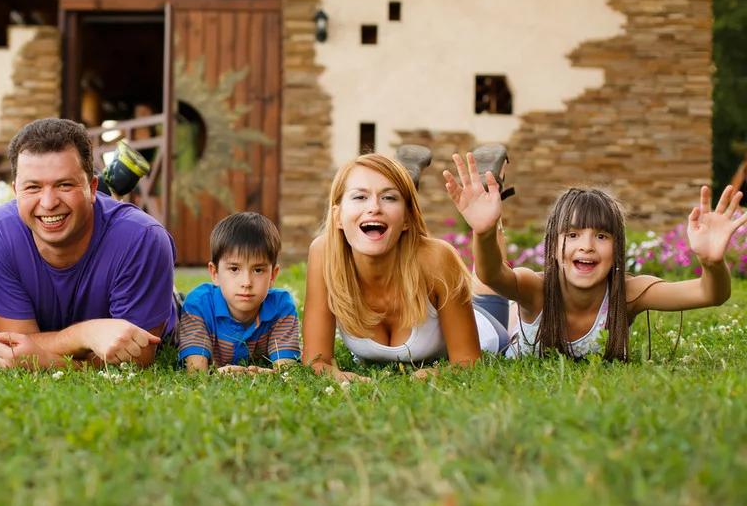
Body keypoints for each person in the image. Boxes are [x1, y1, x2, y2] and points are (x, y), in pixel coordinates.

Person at [445, 151, 746, 360]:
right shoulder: (535, 287)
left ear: (617, 249)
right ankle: (492, 215)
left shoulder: (628, 293)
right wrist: (483, 231)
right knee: (487, 301)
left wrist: (712, 263)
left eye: (601, 236)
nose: (586, 245)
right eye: (573, 235)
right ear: (554, 248)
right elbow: (493, 274)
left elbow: (710, 293)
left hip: (514, 301)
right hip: (501, 329)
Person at [0, 118, 177, 369]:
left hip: (157, 313)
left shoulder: (143, 238)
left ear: (93, 187)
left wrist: (48, 360)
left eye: (64, 185)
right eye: (33, 187)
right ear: (15, 190)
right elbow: (11, 344)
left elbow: (136, 358)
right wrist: (88, 334)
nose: (48, 202)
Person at [302, 154, 504, 383]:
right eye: (360, 196)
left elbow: (468, 363)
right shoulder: (324, 253)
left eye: (388, 198)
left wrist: (432, 374)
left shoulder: (436, 258)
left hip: (484, 325)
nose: (374, 208)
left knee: (491, 283)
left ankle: (493, 198)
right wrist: (343, 378)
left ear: (407, 219)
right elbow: (316, 361)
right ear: (337, 216)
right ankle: (404, 178)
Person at [178, 212, 300, 373]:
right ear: (214, 273)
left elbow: (287, 371)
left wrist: (264, 375)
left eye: (258, 270)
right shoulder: (199, 305)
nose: (246, 283)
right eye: (234, 269)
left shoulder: (281, 307)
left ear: (273, 275)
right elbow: (195, 373)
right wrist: (218, 376)